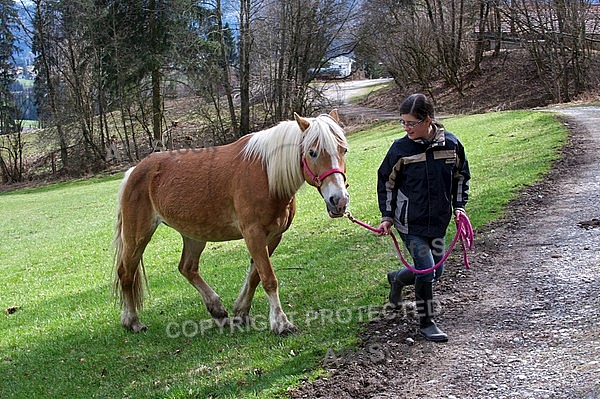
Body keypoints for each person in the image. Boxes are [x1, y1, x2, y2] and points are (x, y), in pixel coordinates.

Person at [376, 93, 470, 342]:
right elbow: (386, 181)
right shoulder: (400, 149)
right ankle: (426, 323)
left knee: (434, 272)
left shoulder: (451, 145)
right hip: (410, 224)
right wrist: (387, 216)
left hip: (438, 222)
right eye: (403, 123)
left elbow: (461, 177)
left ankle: (396, 278)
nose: (406, 128)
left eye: (411, 123)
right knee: (427, 271)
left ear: (428, 120)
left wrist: (459, 206)